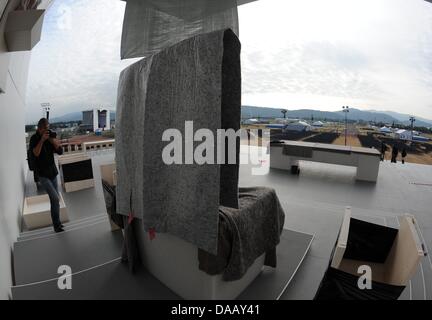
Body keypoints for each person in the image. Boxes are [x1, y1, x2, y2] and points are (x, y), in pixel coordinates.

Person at [29, 118, 65, 232]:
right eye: (45, 128)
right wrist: (42, 140)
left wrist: (51, 140)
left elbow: (60, 151)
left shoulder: (50, 137)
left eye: (48, 127)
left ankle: (57, 224)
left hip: (52, 173)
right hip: (42, 175)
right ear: (39, 129)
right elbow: (35, 153)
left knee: (54, 200)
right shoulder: (34, 139)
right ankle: (56, 224)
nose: (47, 130)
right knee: (55, 198)